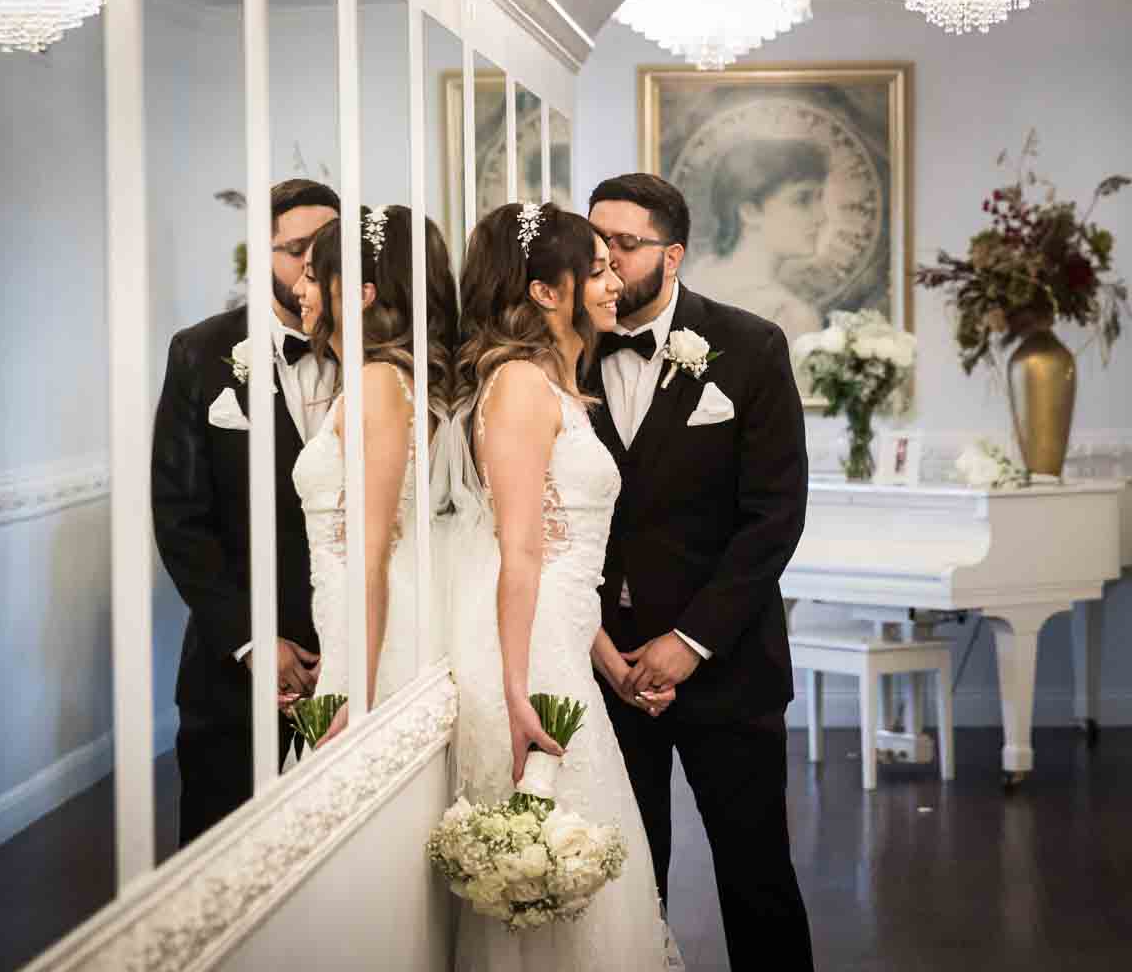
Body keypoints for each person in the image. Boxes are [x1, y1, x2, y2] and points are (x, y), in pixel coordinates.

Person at [586, 172, 815, 969]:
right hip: (601, 670)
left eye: (626, 243)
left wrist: (690, 639)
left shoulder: (750, 346)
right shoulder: (563, 350)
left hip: (728, 668)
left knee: (757, 880)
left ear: (673, 254)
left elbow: (774, 516)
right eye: (596, 242)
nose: (606, 259)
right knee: (621, 882)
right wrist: (594, 644)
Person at [447, 202, 675, 971]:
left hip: (562, 645)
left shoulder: (556, 386)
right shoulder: (517, 385)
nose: (614, 282)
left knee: (587, 850)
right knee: (555, 852)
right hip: (528, 655)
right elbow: (518, 551)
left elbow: (559, 551)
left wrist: (609, 659)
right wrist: (516, 690)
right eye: (599, 268)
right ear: (549, 292)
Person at [151, 179, 339, 847]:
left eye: (327, 247)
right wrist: (255, 640)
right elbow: (180, 518)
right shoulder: (199, 354)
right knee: (222, 861)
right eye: (295, 250)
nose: (313, 265)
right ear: (259, 253)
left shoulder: (386, 356)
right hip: (233, 671)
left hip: (361, 657)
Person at [288, 206, 458, 749]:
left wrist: (356, 693)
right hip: (350, 620)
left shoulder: (381, 384)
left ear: (360, 294)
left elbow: (373, 547)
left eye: (313, 275)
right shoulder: (377, 380)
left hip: (376, 637)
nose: (299, 288)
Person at [683, 138, 829, 344]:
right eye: (802, 200)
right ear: (750, 212)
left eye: (819, 198)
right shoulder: (792, 317)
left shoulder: (694, 279)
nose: (821, 216)